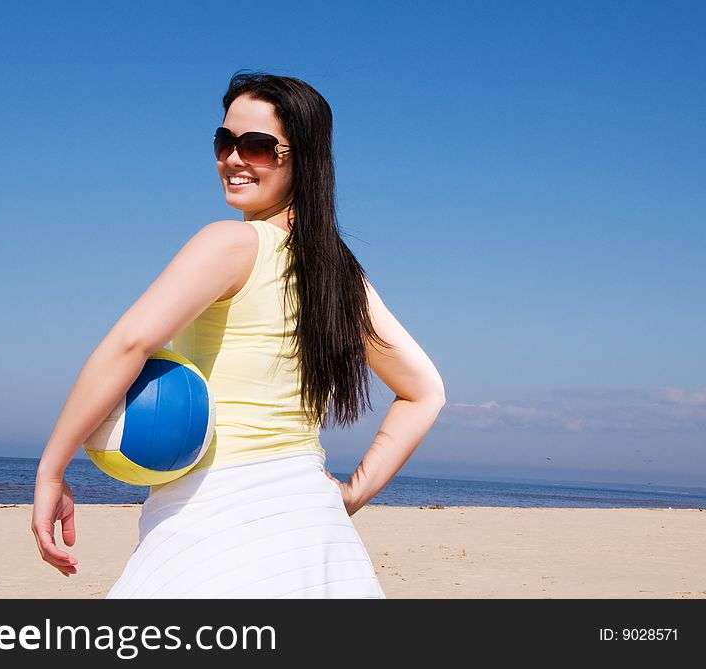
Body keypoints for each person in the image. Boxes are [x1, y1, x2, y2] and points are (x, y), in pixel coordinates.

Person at [31, 71, 446, 598]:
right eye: (224, 141)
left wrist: (52, 469)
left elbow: (128, 345)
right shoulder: (340, 274)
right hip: (317, 533)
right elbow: (425, 392)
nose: (233, 158)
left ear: (303, 157)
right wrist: (348, 496)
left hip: (215, 519)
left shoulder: (229, 243)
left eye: (257, 146)